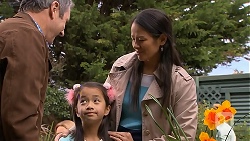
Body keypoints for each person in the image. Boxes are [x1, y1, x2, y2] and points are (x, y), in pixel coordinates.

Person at [106, 8, 198, 141]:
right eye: (133, 39)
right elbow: (99, 104)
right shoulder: (121, 66)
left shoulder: (181, 82)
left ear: (162, 39)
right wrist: (72, 130)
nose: (135, 45)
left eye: (141, 40)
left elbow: (185, 136)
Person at [0, 0, 74, 141]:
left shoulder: (9, 29)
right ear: (54, 8)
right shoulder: (27, 37)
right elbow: (19, 117)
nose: (63, 32)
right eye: (65, 21)